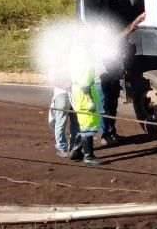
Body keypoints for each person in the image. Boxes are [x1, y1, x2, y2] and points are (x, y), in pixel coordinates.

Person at [100, 11, 146, 145]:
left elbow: (128, 29)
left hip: (113, 78)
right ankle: (105, 134)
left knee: (112, 106)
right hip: (103, 80)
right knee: (104, 107)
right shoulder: (98, 47)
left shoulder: (112, 42)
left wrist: (139, 18)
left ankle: (111, 131)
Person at [68, 32, 105, 166]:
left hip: (84, 89)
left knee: (88, 121)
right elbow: (83, 76)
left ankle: (76, 151)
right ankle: (88, 156)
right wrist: (89, 98)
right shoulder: (82, 53)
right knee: (88, 122)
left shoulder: (77, 52)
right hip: (85, 90)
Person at [48, 74, 79, 159]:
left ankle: (68, 147)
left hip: (71, 95)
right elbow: (52, 80)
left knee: (66, 123)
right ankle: (66, 147)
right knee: (67, 123)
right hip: (65, 95)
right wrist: (67, 85)